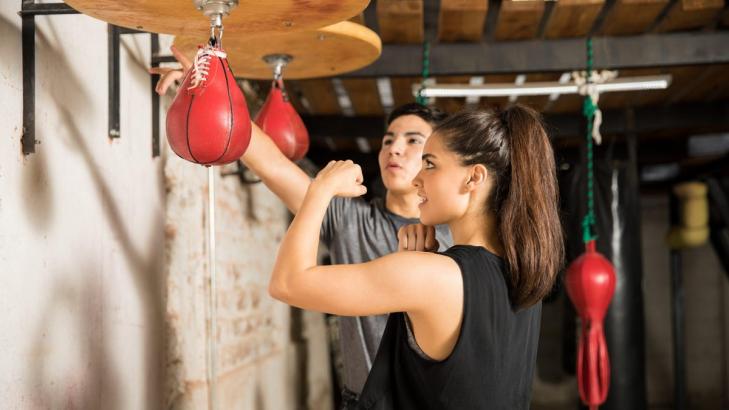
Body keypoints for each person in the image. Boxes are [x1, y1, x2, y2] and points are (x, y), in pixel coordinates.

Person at [150, 47, 452, 401]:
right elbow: (272, 164)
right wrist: (210, 91)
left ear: (437, 158)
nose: (394, 149)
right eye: (388, 140)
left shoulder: (453, 239)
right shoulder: (349, 218)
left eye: (412, 141)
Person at [268, 105, 564, 409]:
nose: (417, 178)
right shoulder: (523, 273)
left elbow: (287, 283)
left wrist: (321, 188)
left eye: (431, 164)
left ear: (474, 178)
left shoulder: (434, 276)